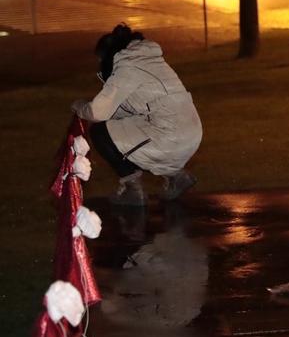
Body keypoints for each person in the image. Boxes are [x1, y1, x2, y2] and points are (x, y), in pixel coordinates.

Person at [73, 25, 202, 205]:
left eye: (101, 59)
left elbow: (97, 112)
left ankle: (132, 190)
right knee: (127, 133)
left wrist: (80, 107)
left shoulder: (127, 67)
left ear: (109, 54)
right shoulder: (149, 61)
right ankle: (176, 176)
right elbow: (128, 109)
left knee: (100, 133)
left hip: (171, 137)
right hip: (190, 133)